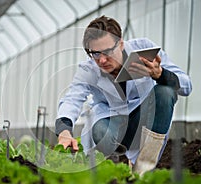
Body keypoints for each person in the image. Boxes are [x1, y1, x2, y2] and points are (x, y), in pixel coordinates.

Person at [55, 15, 192, 175]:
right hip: (110, 124)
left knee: (165, 92)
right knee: (101, 132)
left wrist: (160, 74)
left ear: (120, 44)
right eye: (95, 53)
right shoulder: (88, 69)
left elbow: (186, 86)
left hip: (142, 120)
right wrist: (64, 131)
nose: (103, 60)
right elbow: (72, 98)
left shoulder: (144, 50)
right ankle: (113, 166)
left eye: (107, 51)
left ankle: (143, 170)